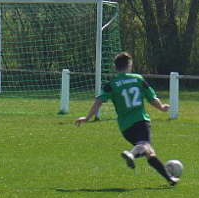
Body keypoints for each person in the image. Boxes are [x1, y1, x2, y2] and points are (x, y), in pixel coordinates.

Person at [75, 51, 179, 186]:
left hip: (125, 127)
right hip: (140, 120)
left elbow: (98, 101)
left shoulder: (112, 84)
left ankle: (169, 178)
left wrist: (87, 117)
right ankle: (132, 155)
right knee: (144, 145)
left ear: (115, 67)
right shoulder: (138, 79)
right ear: (129, 65)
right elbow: (152, 99)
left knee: (149, 152)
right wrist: (162, 108)